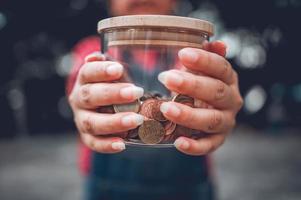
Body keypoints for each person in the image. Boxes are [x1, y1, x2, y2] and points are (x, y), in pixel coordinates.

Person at [67, 0, 243, 199]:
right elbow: (79, 83)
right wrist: (83, 99)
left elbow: (211, 90)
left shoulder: (193, 55)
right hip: (108, 190)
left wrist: (220, 96)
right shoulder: (92, 51)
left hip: (188, 189)